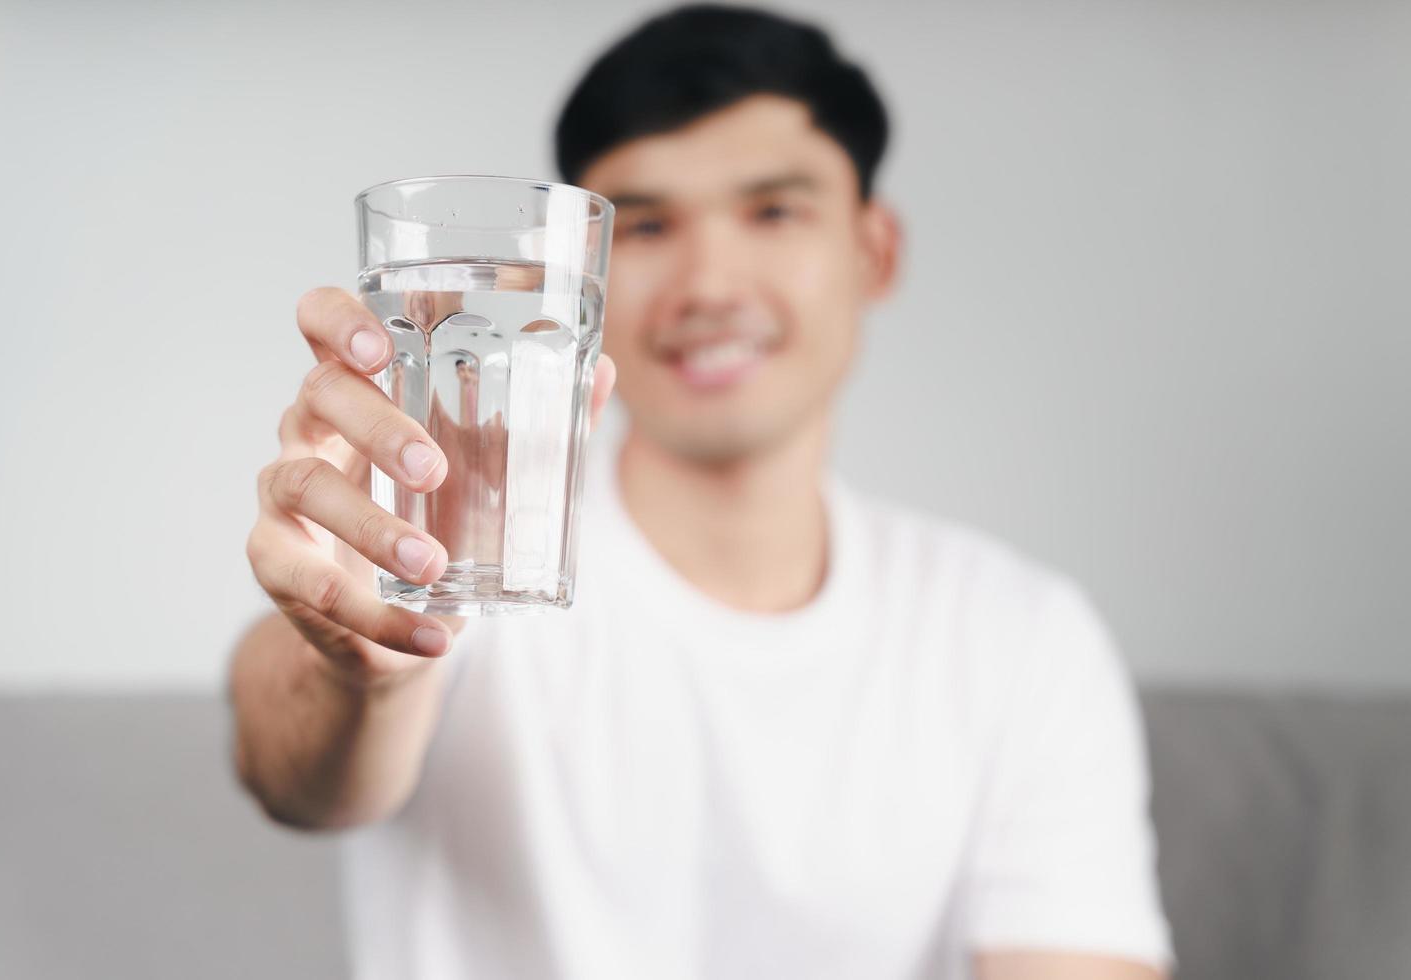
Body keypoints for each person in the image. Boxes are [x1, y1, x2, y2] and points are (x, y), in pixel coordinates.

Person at [229, 5, 1176, 978]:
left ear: (874, 250)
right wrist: (359, 665)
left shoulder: (1021, 637)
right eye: (645, 225)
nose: (710, 282)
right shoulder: (456, 549)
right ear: (580, 273)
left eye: (773, 210)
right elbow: (289, 771)